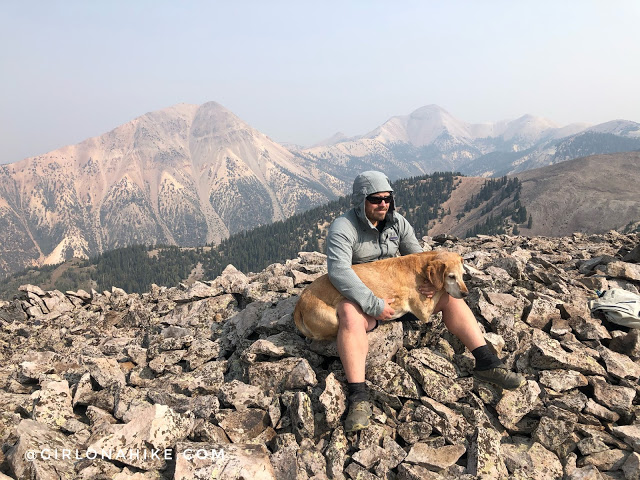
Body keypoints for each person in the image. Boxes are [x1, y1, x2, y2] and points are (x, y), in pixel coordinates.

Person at [326, 170, 525, 432]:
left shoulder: (398, 223)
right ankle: (359, 396)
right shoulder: (343, 227)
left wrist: (432, 283)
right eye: (375, 199)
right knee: (350, 315)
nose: (383, 204)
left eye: (387, 198)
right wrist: (372, 304)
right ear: (360, 200)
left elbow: (420, 257)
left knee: (451, 298)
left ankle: (487, 361)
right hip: (364, 299)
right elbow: (339, 271)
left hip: (400, 296)